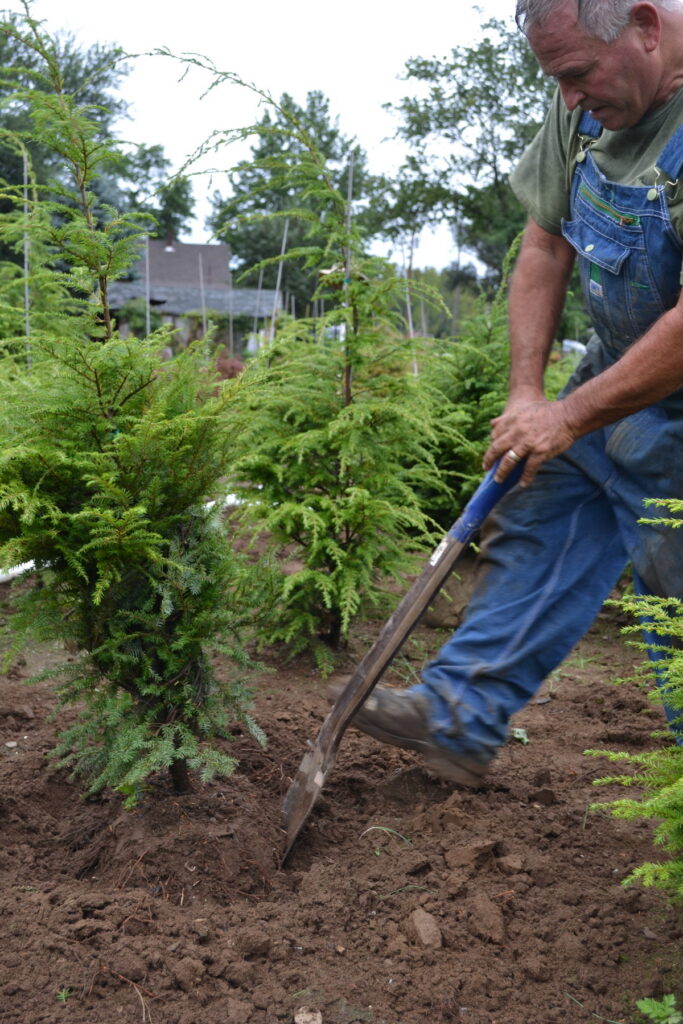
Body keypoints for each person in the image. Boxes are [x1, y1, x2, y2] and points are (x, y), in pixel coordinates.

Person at [337, 0, 683, 785]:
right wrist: (529, 396)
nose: (565, 98)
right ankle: (458, 716)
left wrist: (568, 413)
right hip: (616, 369)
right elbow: (543, 243)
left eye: (576, 74)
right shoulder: (585, 107)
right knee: (540, 505)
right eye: (553, 77)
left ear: (645, 25)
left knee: (674, 608)